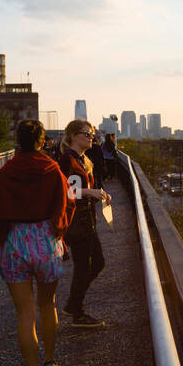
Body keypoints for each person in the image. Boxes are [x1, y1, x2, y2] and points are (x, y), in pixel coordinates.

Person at [0, 120, 70, 366]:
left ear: (17, 140)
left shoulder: (3, 174)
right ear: (42, 141)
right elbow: (64, 206)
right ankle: (50, 361)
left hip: (15, 243)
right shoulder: (52, 170)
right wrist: (58, 233)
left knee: (25, 313)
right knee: (48, 304)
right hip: (45, 240)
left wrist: (2, 241)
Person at [57, 119, 111, 327]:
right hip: (76, 222)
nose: (91, 138)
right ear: (72, 136)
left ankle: (74, 305)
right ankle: (77, 311)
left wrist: (100, 194)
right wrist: (90, 192)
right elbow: (65, 192)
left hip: (86, 220)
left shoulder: (81, 159)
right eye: (87, 134)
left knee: (95, 263)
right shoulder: (66, 161)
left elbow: (78, 189)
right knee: (85, 265)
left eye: (92, 134)